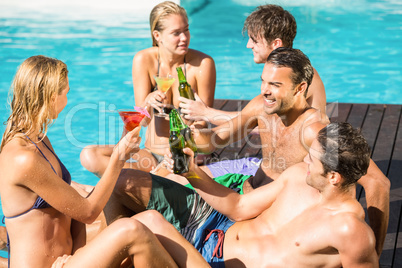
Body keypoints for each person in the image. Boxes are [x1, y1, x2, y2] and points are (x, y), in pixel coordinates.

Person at [105, 47, 390, 256]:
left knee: (138, 225)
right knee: (127, 184)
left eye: (275, 85)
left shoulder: (314, 132)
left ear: (301, 88)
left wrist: (373, 253)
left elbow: (377, 182)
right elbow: (214, 139)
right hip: (240, 203)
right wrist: (187, 139)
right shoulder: (262, 106)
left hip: (259, 222)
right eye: (263, 81)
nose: (265, 90)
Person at [0, 55, 204, 268]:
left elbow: (73, 213)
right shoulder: (22, 157)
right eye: (66, 93)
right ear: (52, 97)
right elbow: (87, 212)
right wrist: (118, 157)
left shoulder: (38, 140)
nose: (67, 100)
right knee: (131, 230)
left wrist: (81, 252)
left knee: (149, 218)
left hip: (69, 260)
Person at [104, 122, 379, 267]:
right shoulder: (298, 176)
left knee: (148, 223)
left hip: (214, 265)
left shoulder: (350, 230)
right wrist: (190, 173)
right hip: (216, 226)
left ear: (334, 177)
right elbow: (239, 206)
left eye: (313, 158)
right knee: (123, 182)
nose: (305, 159)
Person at [80, 1, 216, 175]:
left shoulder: (203, 64)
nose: (184, 38)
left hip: (184, 157)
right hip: (150, 156)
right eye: (176, 33)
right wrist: (147, 103)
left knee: (131, 181)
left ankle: (140, 184)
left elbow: (203, 122)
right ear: (157, 35)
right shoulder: (144, 60)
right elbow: (141, 122)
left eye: (186, 30)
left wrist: (180, 148)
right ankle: (142, 182)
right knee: (90, 155)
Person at [178, 4, 326, 125]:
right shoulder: (283, 70)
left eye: (254, 40)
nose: (249, 45)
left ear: (276, 44)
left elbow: (258, 123)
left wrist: (205, 113)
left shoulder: (293, 75)